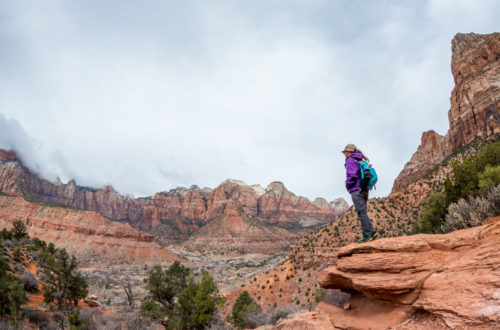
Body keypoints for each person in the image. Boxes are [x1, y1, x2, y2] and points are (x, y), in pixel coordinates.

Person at [342, 144, 378, 242]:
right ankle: (369, 233)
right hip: (365, 189)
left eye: (345, 152)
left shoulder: (350, 160)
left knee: (361, 212)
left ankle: (368, 234)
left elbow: (352, 175)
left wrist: (347, 185)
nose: (344, 154)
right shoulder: (360, 159)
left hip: (356, 189)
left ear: (349, 152)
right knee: (363, 212)